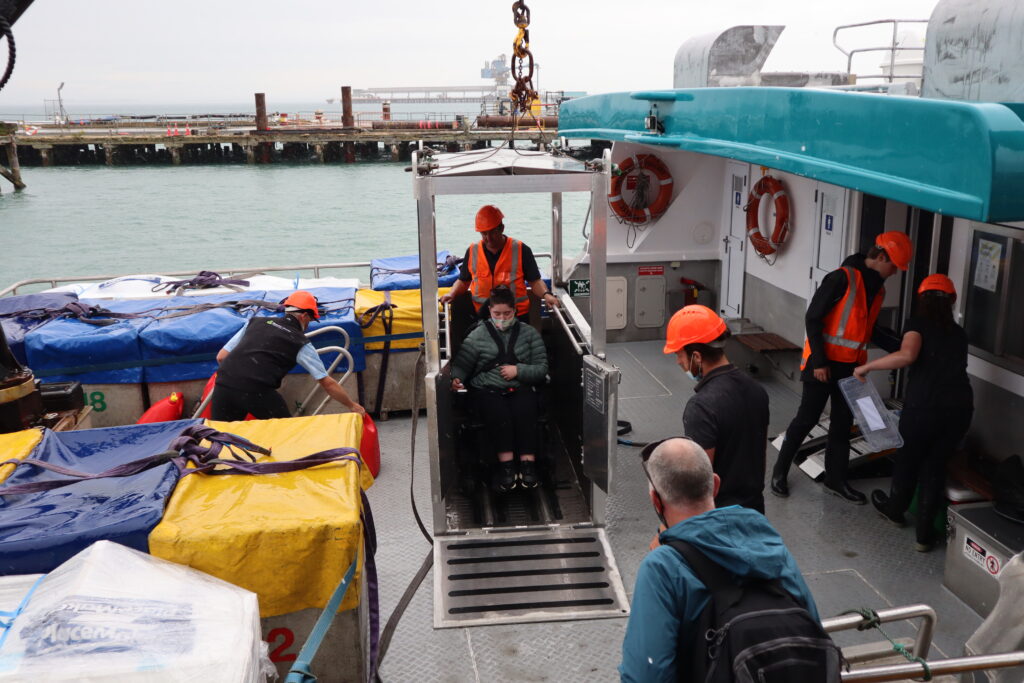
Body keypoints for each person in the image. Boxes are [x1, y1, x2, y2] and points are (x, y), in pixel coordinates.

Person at [620, 437, 822, 682]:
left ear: (656, 501)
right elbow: (813, 624)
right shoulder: (770, 544)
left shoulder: (662, 567)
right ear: (715, 485)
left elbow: (646, 674)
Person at [771, 231, 913, 504]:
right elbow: (813, 318)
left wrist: (904, 347)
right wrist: (821, 363)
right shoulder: (841, 278)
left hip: (852, 369)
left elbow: (870, 331)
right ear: (881, 257)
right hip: (822, 364)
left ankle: (836, 480)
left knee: (841, 425)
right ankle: (779, 472)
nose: (895, 272)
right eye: (893, 265)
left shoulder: (877, 289)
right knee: (806, 419)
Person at [854, 274, 973, 552]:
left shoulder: (917, 325)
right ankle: (923, 536)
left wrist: (867, 367)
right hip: (959, 409)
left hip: (925, 408)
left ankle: (895, 510)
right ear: (952, 300)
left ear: (921, 299)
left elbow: (907, 355)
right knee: (935, 466)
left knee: (908, 459)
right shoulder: (959, 334)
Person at [663, 305, 769, 512]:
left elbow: (700, 484)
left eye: (679, 355)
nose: (678, 362)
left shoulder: (701, 407)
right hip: (754, 510)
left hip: (719, 518)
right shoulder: (757, 390)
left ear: (697, 357)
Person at [450, 285, 548, 491]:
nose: (502, 318)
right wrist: (456, 379)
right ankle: (507, 467)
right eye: (496, 314)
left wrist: (518, 371)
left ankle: (528, 465)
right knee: (498, 414)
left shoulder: (529, 334)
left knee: (526, 411)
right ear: (490, 312)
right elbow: (462, 365)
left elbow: (541, 368)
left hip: (520, 387)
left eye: (507, 313)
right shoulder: (477, 335)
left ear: (515, 311)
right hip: (488, 389)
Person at [212, 290, 365, 421]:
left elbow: (221, 356)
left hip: (223, 383)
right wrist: (353, 405)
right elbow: (327, 383)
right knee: (287, 432)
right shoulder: (300, 342)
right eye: (311, 320)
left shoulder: (255, 321)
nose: (309, 324)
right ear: (304, 316)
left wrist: (235, 380)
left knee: (222, 438)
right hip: (256, 389)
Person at [439, 204, 559, 320]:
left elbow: (535, 281)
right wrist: (452, 293)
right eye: (484, 233)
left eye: (492, 232)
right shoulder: (472, 251)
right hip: (484, 316)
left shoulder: (521, 249)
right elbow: (463, 281)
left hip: (516, 316)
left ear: (501, 228)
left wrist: (546, 295)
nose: (488, 238)